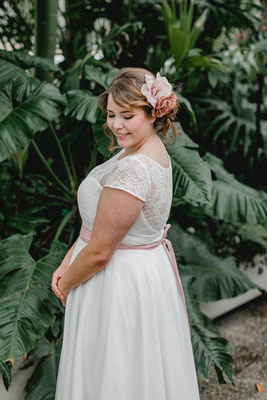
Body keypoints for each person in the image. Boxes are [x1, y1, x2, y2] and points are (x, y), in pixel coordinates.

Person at [52, 67, 200, 399]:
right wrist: (67, 260)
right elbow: (95, 227)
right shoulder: (144, 149)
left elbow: (101, 250)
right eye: (111, 114)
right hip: (141, 275)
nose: (116, 124)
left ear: (152, 114)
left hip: (116, 283)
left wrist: (66, 283)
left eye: (127, 115)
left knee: (116, 375)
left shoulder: (133, 169)